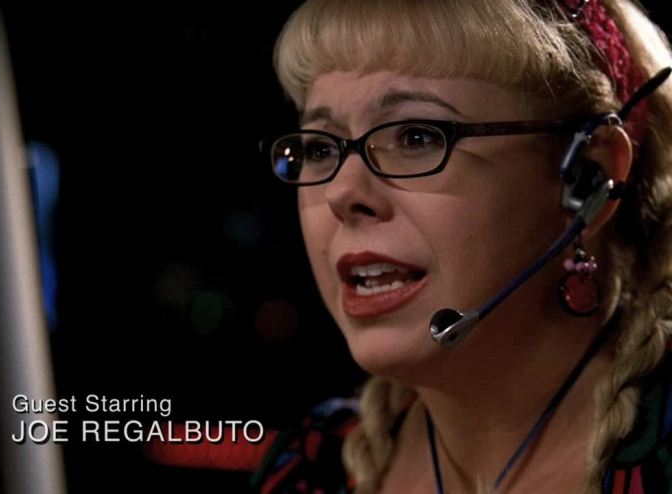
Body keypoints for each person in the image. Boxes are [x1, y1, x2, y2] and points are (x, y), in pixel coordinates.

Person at [254, 0, 671, 492]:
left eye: (416, 137)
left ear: (591, 179)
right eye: (321, 148)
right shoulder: (308, 466)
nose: (341, 193)